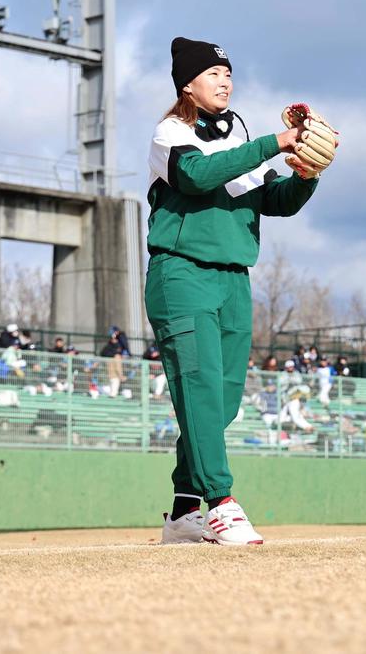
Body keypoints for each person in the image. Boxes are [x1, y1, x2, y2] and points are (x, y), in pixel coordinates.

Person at [147, 36, 321, 546]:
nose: (225, 79)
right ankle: (221, 504)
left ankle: (182, 511)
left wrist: (306, 174)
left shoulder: (237, 133)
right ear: (188, 83)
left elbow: (275, 200)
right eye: (213, 72)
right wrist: (274, 142)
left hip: (233, 278)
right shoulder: (170, 130)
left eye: (228, 72)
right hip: (182, 275)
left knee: (221, 406)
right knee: (200, 393)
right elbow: (197, 177)